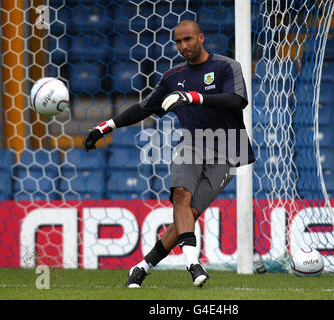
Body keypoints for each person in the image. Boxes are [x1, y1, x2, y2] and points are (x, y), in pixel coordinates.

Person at [83, 20, 255, 288]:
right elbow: (144, 108)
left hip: (227, 148)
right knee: (181, 196)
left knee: (188, 215)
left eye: (188, 39)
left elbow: (237, 101)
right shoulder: (173, 77)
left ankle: (142, 266)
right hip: (192, 143)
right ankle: (192, 263)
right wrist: (105, 127)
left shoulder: (225, 66)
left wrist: (193, 97)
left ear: (201, 38)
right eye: (178, 41)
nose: (183, 46)